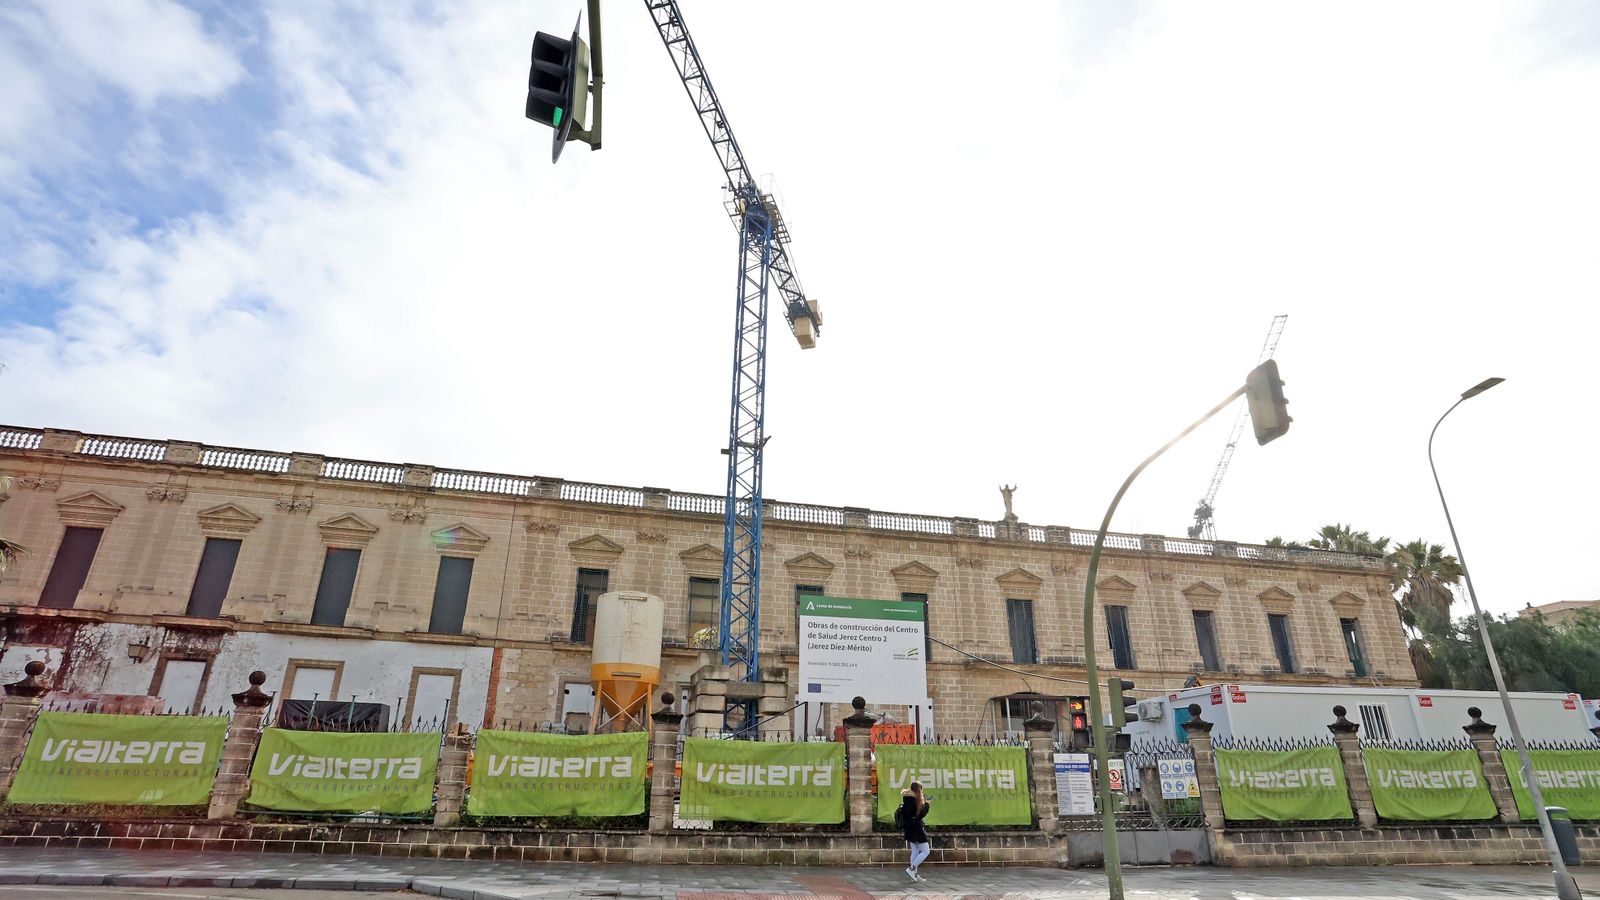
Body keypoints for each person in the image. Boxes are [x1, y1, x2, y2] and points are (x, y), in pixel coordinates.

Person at [900, 781, 931, 882]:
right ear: (919, 790)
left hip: (909, 828)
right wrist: (926, 805)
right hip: (916, 829)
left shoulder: (906, 798)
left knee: (915, 851)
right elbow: (919, 815)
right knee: (926, 851)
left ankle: (914, 875)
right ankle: (912, 869)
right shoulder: (915, 800)